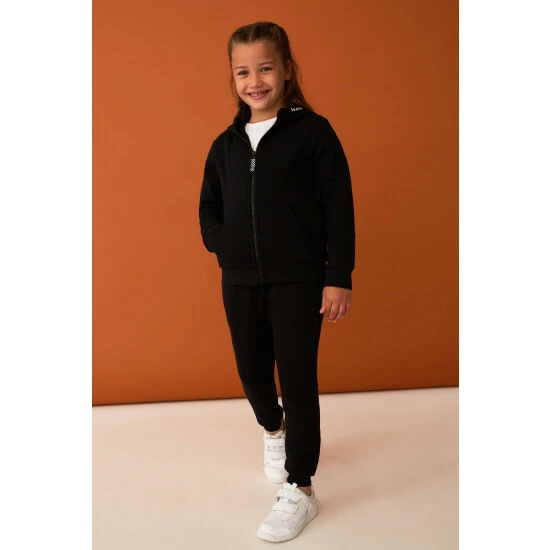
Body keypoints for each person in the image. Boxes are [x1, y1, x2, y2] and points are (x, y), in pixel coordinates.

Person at [198, 21, 355, 543]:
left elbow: (338, 207)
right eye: (243, 72)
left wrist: (337, 276)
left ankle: (300, 486)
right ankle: (274, 427)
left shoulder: (313, 133)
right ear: (233, 78)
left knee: (297, 377)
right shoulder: (225, 145)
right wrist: (224, 244)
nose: (255, 81)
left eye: (265, 68)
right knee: (251, 371)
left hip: (300, 279)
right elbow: (208, 208)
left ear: (287, 69)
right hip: (239, 278)